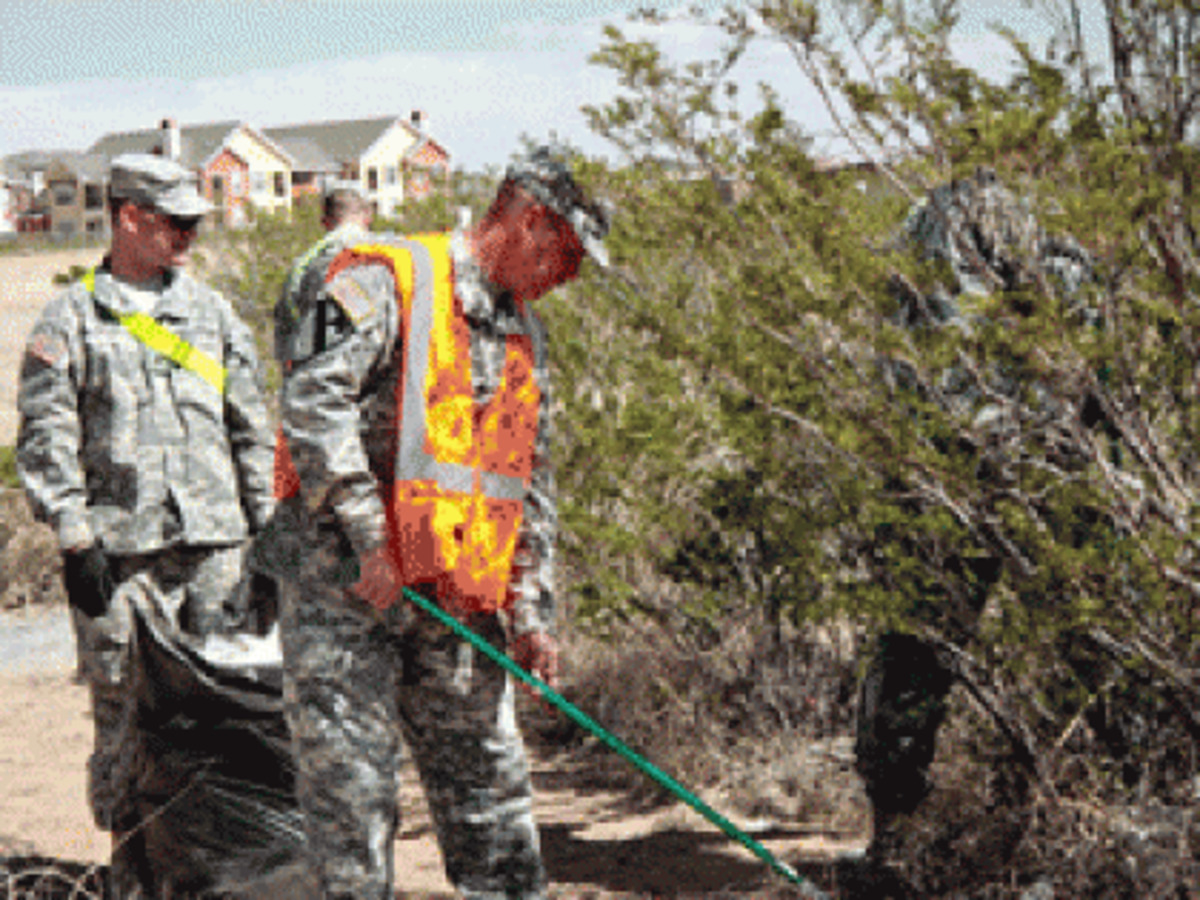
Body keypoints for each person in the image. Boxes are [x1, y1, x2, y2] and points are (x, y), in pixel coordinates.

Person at [263, 147, 610, 899]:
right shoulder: (386, 281)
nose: (571, 276)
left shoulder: (523, 331)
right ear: (527, 223)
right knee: (354, 802)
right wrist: (367, 536)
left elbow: (526, 481)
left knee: (491, 787)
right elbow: (312, 403)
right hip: (344, 591)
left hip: (451, 597)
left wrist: (530, 609)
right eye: (569, 254)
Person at [16, 153, 275, 857]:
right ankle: (136, 867)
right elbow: (45, 440)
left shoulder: (210, 313)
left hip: (215, 555)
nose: (191, 236)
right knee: (128, 721)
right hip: (119, 562)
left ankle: (213, 870)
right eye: (177, 222)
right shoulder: (70, 320)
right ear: (131, 218)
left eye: (195, 222)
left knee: (223, 718)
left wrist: (272, 540)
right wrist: (75, 540)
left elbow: (251, 429)